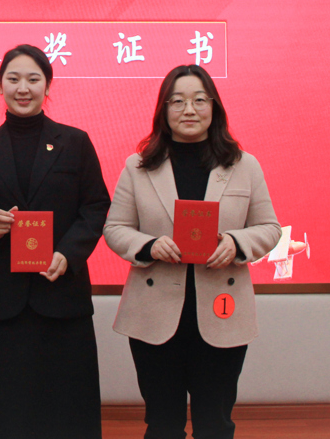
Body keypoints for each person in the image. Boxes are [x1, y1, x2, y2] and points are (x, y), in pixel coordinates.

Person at [103, 64, 281, 439]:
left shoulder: (243, 165)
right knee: (162, 424)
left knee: (215, 424)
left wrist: (235, 242)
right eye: (177, 101)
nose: (189, 109)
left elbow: (269, 228)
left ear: (214, 107)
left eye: (199, 100)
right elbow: (115, 228)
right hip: (154, 316)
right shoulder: (138, 166)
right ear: (163, 110)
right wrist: (149, 245)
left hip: (221, 311)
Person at [0, 44, 111, 439]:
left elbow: (95, 206)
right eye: (13, 79)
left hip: (61, 296)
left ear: (48, 85)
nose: (23, 88)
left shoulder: (75, 142)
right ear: (0, 86)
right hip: (1, 304)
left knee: (67, 409)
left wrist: (68, 253)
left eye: (33, 79)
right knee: (4, 408)